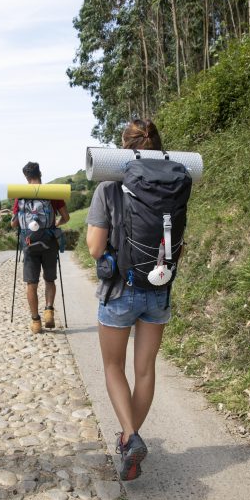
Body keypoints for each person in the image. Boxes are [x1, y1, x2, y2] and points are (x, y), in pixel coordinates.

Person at [85, 119, 171, 481]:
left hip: (120, 290)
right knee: (145, 370)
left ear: (124, 149)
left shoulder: (109, 187)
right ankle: (129, 438)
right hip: (159, 288)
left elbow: (93, 247)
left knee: (112, 367)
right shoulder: (173, 185)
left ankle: (130, 436)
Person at [10, 161, 70, 333]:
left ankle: (36, 321)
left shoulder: (20, 195)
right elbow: (66, 217)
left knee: (31, 283)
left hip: (29, 243)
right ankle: (49, 310)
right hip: (49, 241)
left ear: (26, 177)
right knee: (49, 280)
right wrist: (54, 225)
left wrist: (17, 220)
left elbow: (14, 224)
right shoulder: (52, 193)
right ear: (40, 174)